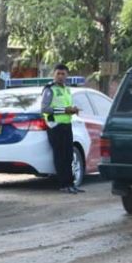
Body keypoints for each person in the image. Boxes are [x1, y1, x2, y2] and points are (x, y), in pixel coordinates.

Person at [41, 63, 84, 194]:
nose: (60, 76)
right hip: (54, 126)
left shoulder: (67, 89)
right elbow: (44, 108)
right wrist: (65, 110)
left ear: (67, 75)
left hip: (66, 124)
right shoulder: (49, 89)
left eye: (63, 74)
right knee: (60, 156)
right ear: (54, 74)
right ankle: (63, 184)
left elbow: (67, 106)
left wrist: (73, 110)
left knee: (68, 156)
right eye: (58, 73)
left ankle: (71, 184)